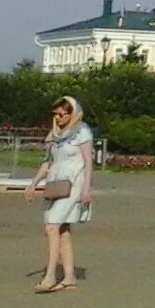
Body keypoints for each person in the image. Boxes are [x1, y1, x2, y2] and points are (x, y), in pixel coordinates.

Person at [25, 95, 94, 293]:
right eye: (55, 114)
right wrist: (33, 183)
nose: (58, 118)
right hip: (56, 183)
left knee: (52, 225)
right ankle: (70, 277)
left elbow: (88, 161)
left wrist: (87, 188)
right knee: (61, 229)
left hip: (74, 183)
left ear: (72, 113)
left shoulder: (82, 132)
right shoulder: (54, 135)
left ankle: (50, 275)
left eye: (62, 114)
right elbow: (47, 162)